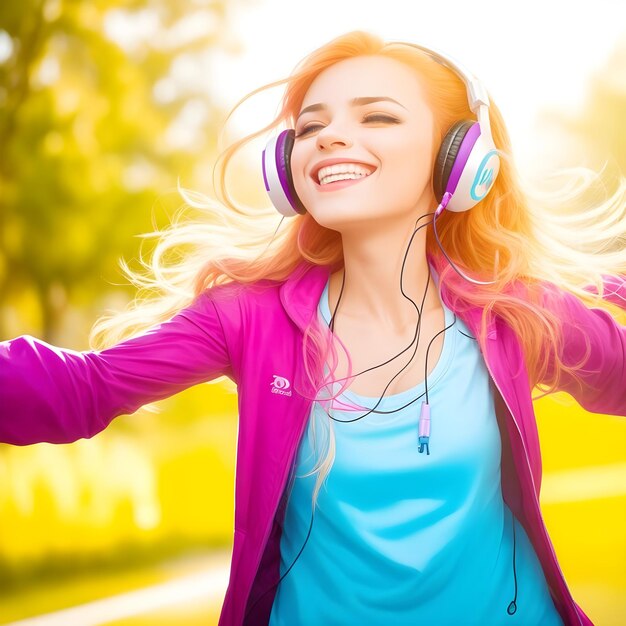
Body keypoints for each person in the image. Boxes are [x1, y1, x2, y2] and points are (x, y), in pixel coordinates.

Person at [1, 30, 625, 626]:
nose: (330, 139)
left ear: (458, 159)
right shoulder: (249, 318)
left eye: (376, 117)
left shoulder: (513, 311)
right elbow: (81, 390)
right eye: (311, 127)